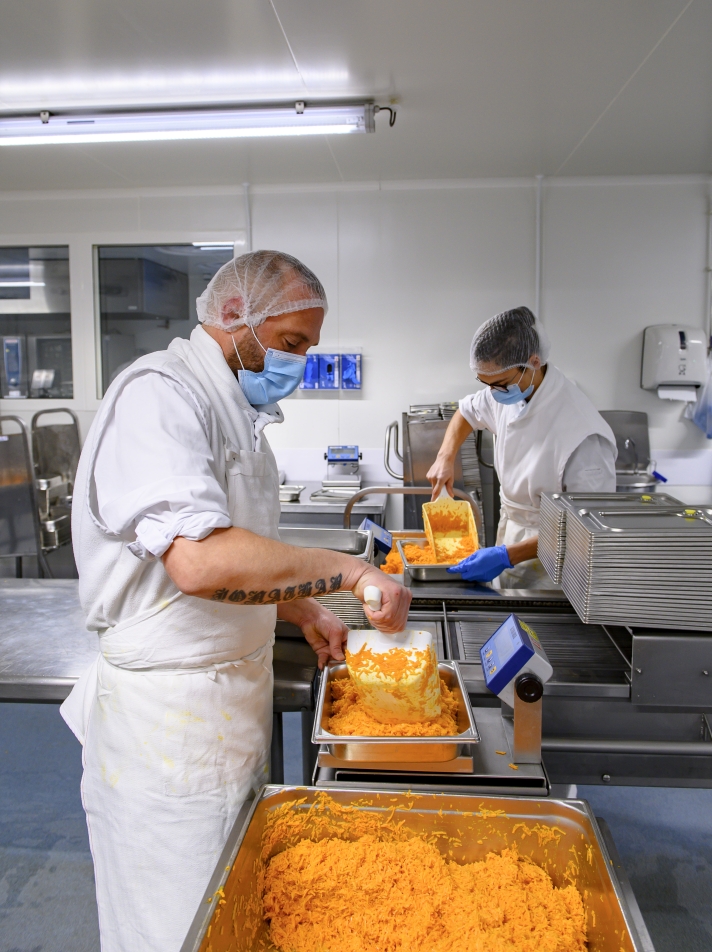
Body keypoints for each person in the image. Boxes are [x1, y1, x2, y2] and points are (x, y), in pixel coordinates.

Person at [60, 250, 411, 952]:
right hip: (167, 733)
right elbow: (198, 563)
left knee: (232, 916)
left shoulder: (238, 417)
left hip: (226, 713)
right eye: (290, 343)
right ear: (232, 316)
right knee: (175, 925)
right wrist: (346, 572)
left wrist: (298, 606)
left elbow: (231, 564)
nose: (299, 365)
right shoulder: (159, 396)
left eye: (307, 349)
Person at [427, 306, 616, 588]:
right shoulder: (510, 390)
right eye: (487, 384)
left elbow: (585, 529)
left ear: (534, 362)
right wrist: (445, 457)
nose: (493, 394)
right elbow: (466, 412)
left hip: (556, 557)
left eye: (500, 384)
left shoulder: (584, 436)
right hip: (512, 531)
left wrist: (507, 556)